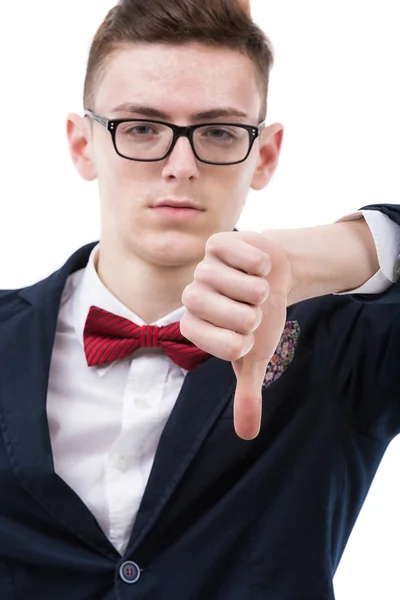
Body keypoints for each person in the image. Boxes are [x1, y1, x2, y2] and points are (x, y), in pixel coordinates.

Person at [0, 0, 399, 598]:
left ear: (263, 154)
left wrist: (337, 252)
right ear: (82, 145)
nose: (180, 166)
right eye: (140, 127)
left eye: (217, 131)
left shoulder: (341, 344)